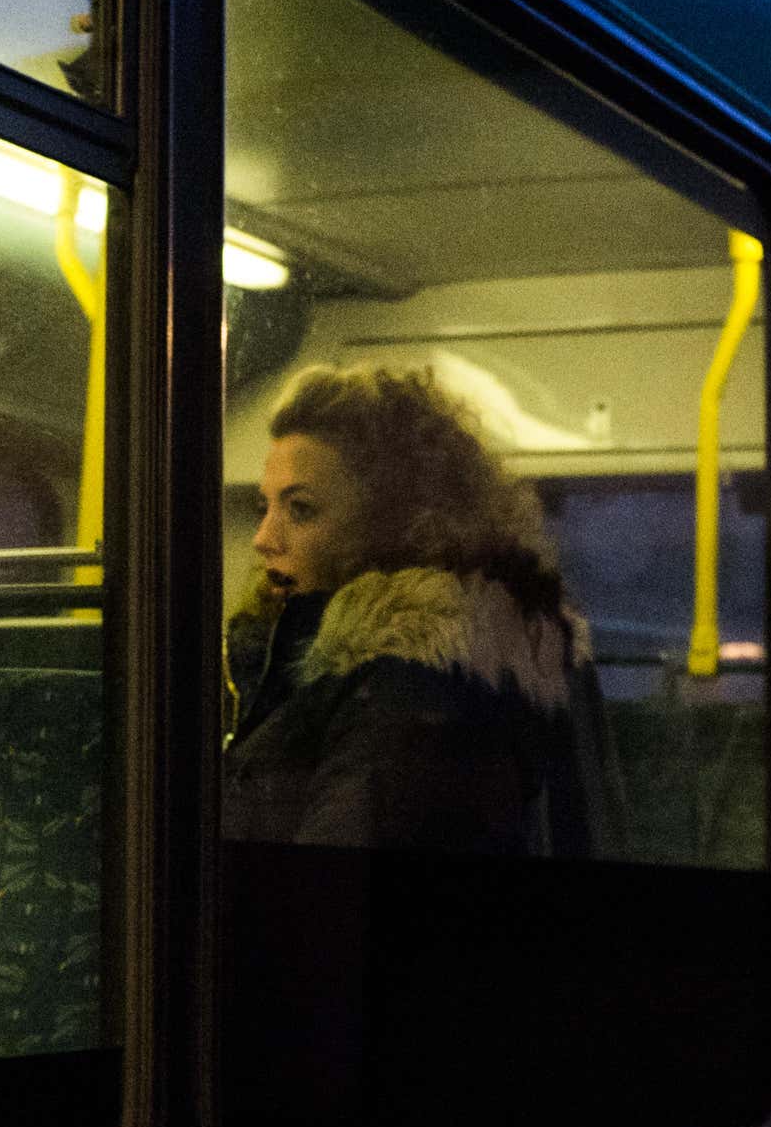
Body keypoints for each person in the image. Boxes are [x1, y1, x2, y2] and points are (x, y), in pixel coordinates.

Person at [224, 364, 620, 857]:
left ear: (392, 524)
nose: (264, 539)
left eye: (300, 510)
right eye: (265, 507)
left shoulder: (402, 690)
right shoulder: (497, 656)